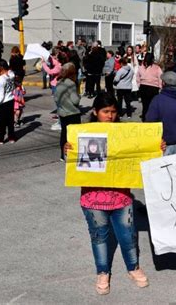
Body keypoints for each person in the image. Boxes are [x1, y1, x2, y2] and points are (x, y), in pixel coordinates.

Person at [63, 93, 151, 295]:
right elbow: (76, 164)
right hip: (93, 199)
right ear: (95, 112)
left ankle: (134, 268)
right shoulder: (84, 134)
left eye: (113, 111)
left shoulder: (125, 133)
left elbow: (142, 154)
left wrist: (156, 147)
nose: (110, 116)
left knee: (128, 237)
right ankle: (103, 272)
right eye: (105, 111)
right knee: (99, 237)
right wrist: (68, 148)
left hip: (122, 198)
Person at [55, 62, 81, 161]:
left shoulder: (59, 82)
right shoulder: (71, 84)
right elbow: (75, 100)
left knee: (64, 134)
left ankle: (63, 155)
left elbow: (56, 99)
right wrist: (79, 95)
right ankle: (73, 154)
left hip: (62, 112)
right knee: (74, 135)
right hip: (72, 113)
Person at [0, 60, 16, 144]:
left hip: (3, 102)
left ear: (1, 68)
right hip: (11, 100)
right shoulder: (11, 75)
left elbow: (0, 95)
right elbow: (10, 71)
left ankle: (0, 139)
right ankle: (11, 137)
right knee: (10, 120)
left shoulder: (1, 79)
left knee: (2, 122)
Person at [136, 52, 162, 121]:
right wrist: (160, 87)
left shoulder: (141, 67)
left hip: (143, 86)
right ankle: (152, 118)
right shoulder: (157, 68)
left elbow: (137, 77)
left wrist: (139, 85)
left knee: (145, 105)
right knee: (152, 105)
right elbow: (160, 78)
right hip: (153, 87)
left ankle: (144, 118)